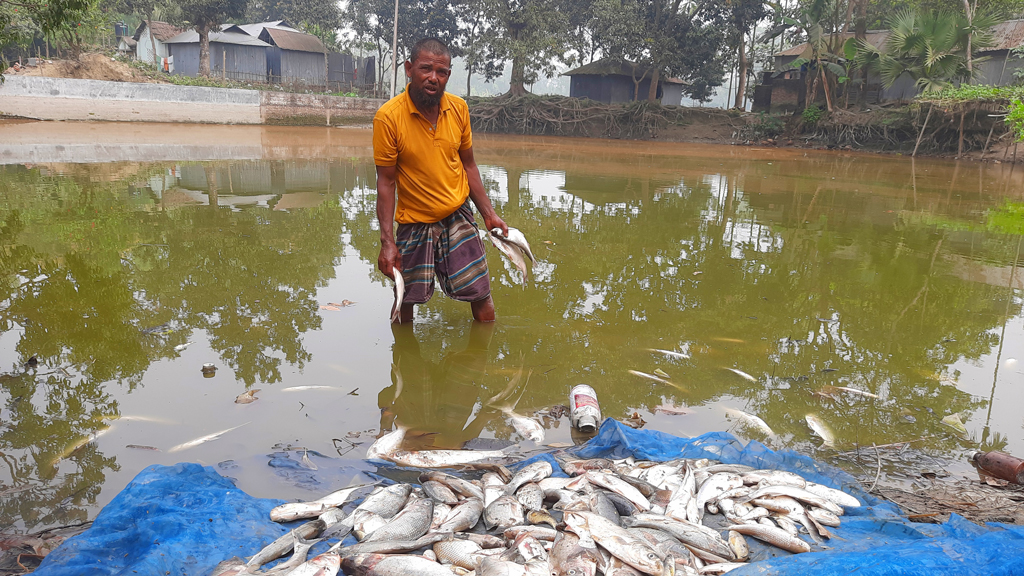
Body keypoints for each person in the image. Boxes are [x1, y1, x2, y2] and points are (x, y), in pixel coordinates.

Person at [373, 37, 507, 324]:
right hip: (414, 221)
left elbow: (469, 165)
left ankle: (483, 359)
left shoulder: (458, 109)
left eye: (441, 71)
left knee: (481, 293)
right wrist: (387, 242)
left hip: (457, 214)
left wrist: (490, 215)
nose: (433, 78)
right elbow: (385, 183)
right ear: (409, 69)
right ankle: (403, 363)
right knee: (403, 300)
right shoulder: (388, 118)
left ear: (448, 75)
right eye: (425, 69)